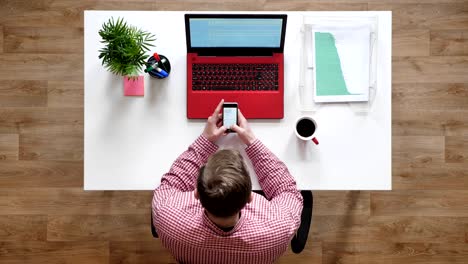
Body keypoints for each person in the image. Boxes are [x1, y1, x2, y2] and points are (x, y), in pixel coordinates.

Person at [152, 99, 303, 264]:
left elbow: (172, 183)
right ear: (250, 198)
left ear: (196, 194)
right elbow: (287, 190)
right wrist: (251, 141)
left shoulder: (166, 217)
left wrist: (206, 140)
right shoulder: (278, 229)